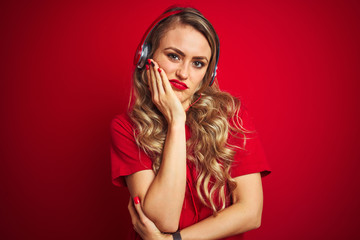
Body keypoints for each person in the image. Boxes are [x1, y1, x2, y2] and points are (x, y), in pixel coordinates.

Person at [110, 6, 271, 240]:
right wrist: (176, 121)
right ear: (147, 57)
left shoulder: (231, 115)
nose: (184, 73)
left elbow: (251, 212)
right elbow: (162, 220)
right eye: (174, 56)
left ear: (208, 74)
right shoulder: (126, 128)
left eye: (198, 63)